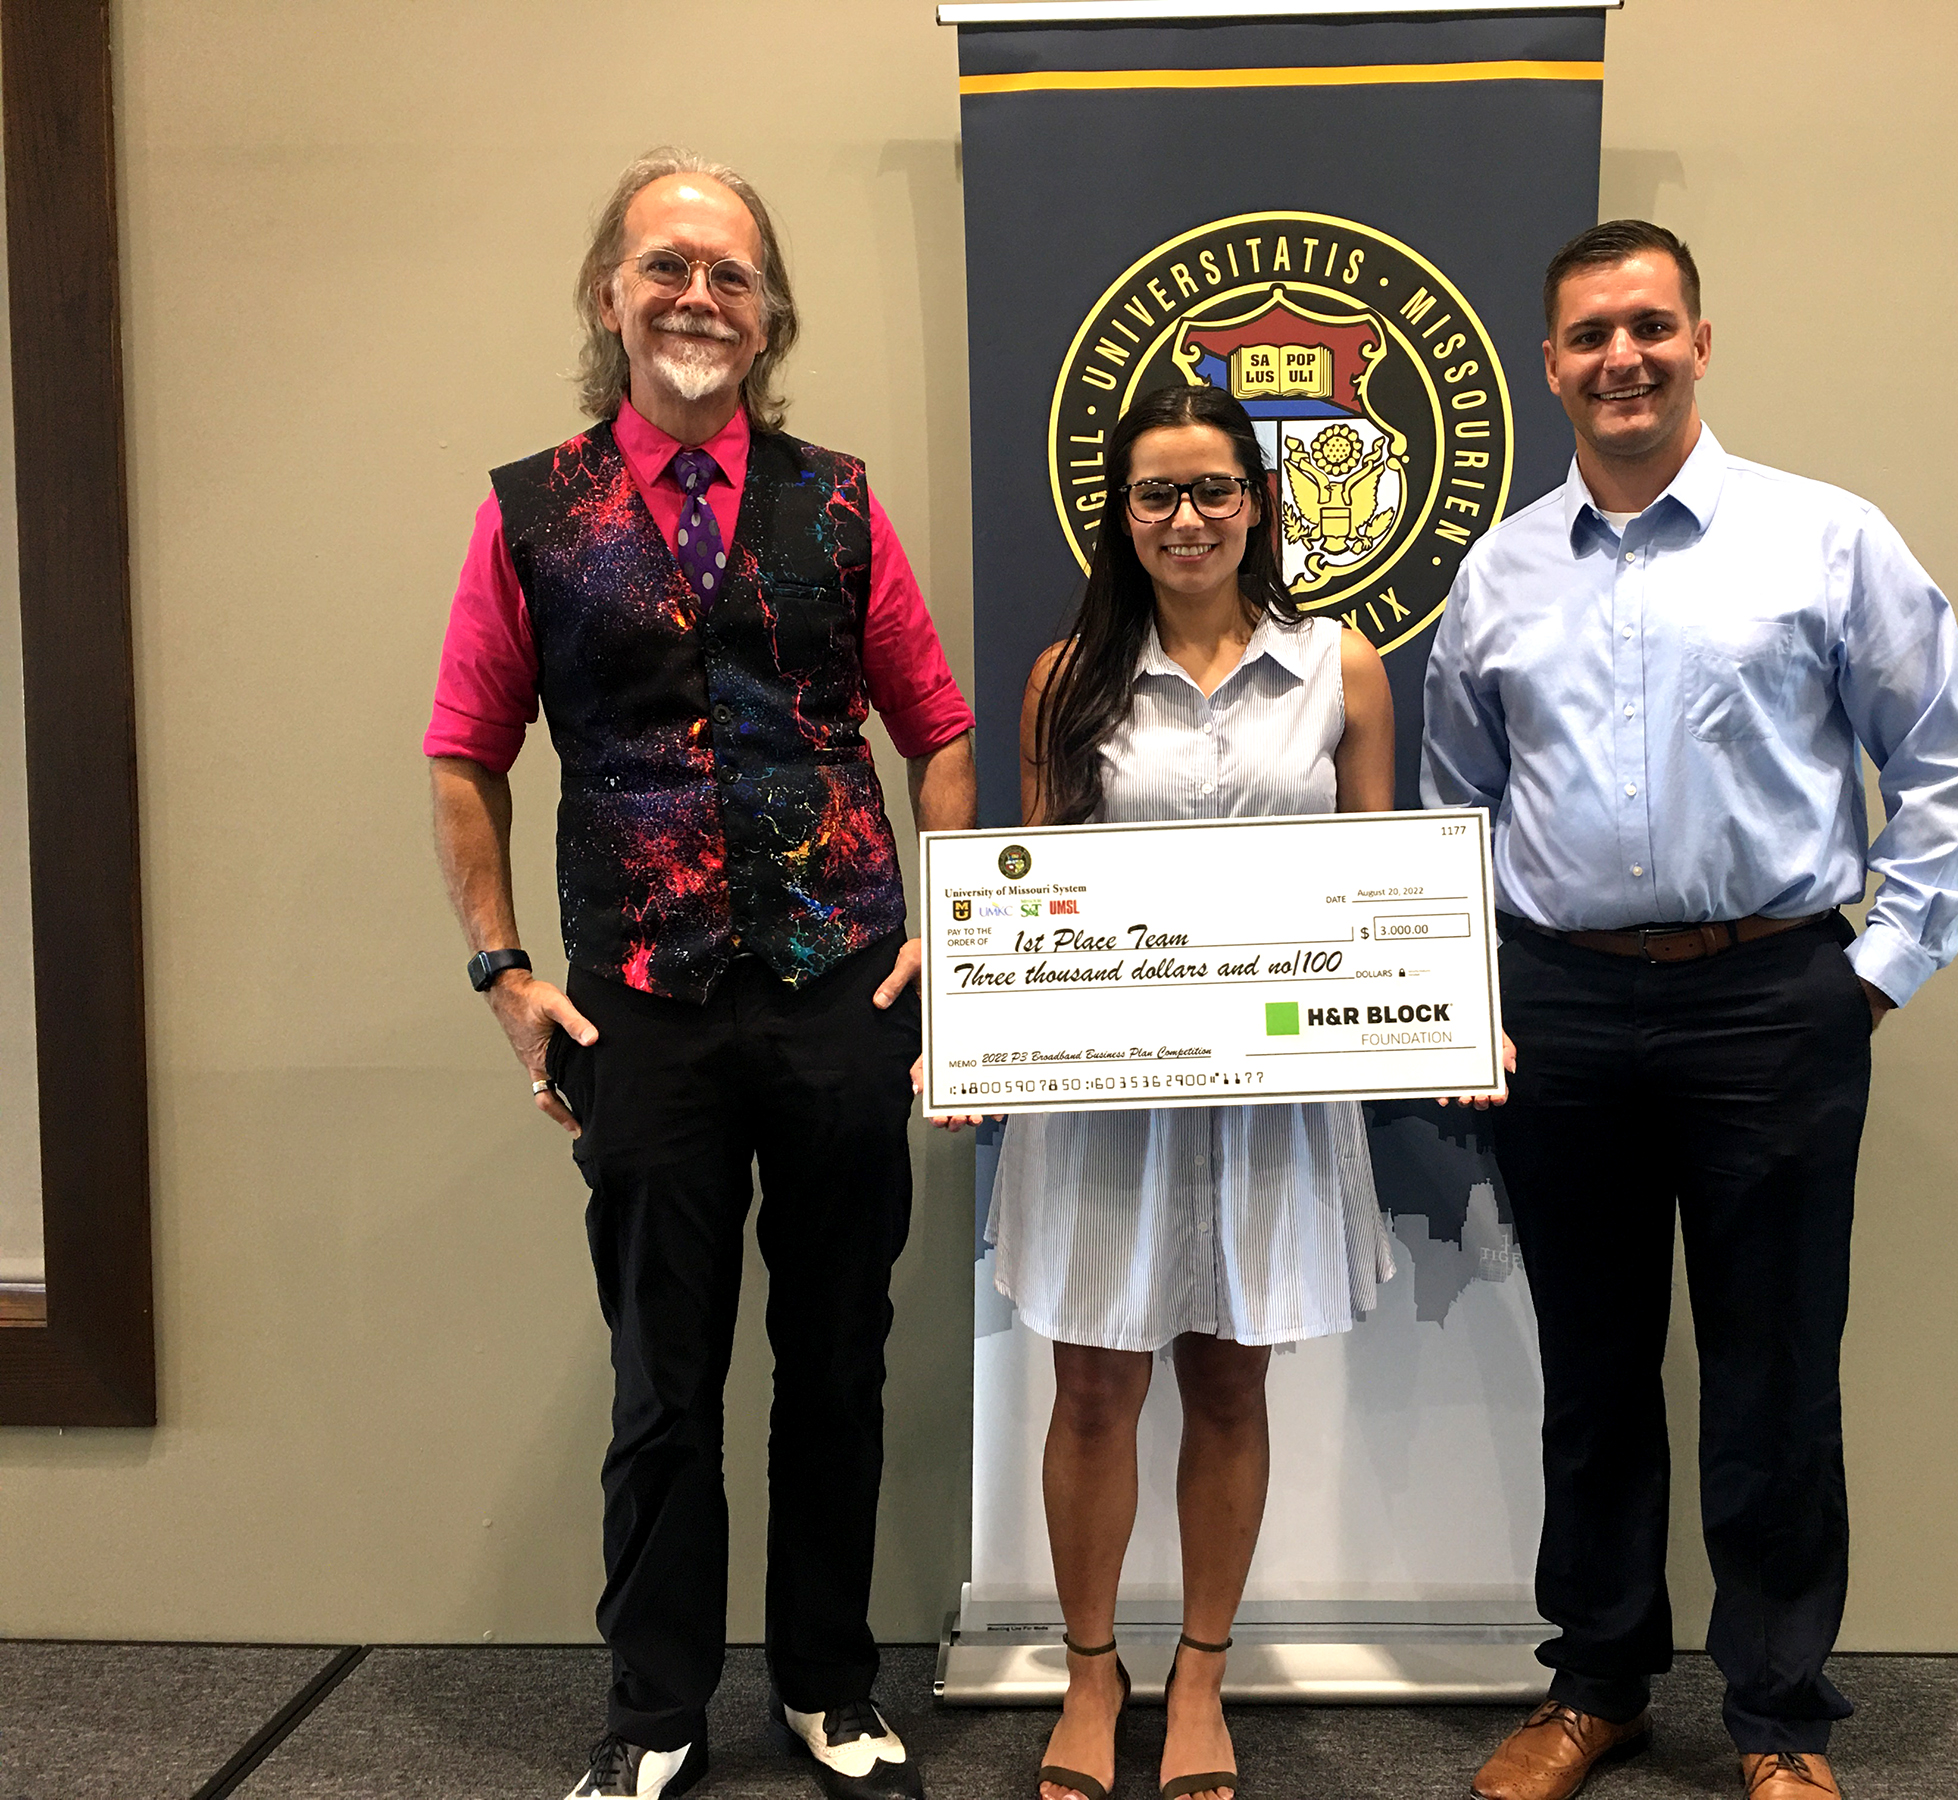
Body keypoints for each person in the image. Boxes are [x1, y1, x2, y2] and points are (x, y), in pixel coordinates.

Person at [1424, 222, 1958, 1800]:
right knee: (1593, 1371)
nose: (1624, 357)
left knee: (1772, 1369)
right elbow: (1456, 805)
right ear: (1548, 365)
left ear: (1697, 340)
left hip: (1770, 1001)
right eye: (1591, 333)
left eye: (1650, 327)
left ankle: (1776, 1718)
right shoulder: (1499, 575)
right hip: (1565, 1010)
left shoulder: (1825, 540)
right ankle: (1598, 1683)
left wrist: (1874, 972)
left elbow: (1945, 759)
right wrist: (1476, 995)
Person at [425, 149, 975, 1800]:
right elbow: (465, 752)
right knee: (663, 1372)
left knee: (838, 1357)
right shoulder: (529, 509)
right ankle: (655, 1706)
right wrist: (503, 970)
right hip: (643, 1006)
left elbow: (938, 729)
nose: (697, 297)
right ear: (612, 296)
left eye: (729, 275)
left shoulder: (842, 500)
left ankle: (826, 1681)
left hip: (837, 991)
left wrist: (945, 931)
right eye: (666, 267)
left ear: (768, 312)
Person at [973, 383, 1395, 1800]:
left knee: (1229, 1378)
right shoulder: (1063, 681)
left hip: (1273, 1099)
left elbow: (1381, 891)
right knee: (1090, 1384)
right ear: (1122, 516)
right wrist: (982, 1037)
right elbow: (1032, 906)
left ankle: (1201, 1682)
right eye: (1156, 495)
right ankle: (1093, 1678)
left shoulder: (1346, 670)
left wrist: (1444, 1027)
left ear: (1259, 499)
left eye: (1213, 489)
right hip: (1105, 1101)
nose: (1188, 518)